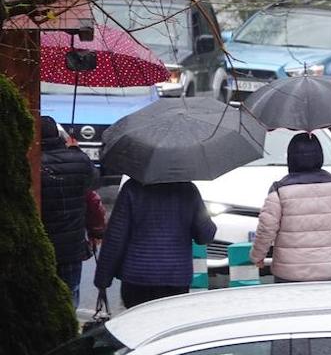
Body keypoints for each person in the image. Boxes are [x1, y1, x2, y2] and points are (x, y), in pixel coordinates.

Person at [250, 132, 331, 283]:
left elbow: (266, 228)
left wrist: (257, 256)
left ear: (290, 158)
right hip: (326, 270)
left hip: (288, 272)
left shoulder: (280, 190)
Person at [95, 177, 217, 309]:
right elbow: (206, 235)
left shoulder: (132, 188)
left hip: (137, 278)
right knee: (168, 325)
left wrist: (103, 280)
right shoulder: (188, 190)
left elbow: (115, 238)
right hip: (175, 278)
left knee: (137, 325)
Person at [38, 117, 98, 305]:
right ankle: (68, 332)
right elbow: (93, 183)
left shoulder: (31, 162)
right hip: (71, 247)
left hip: (40, 244)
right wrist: (75, 150)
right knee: (69, 295)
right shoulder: (79, 160)